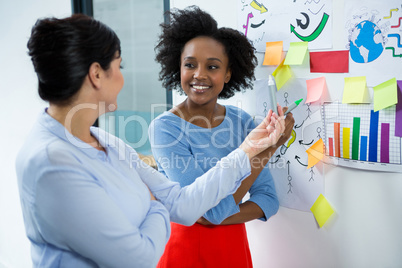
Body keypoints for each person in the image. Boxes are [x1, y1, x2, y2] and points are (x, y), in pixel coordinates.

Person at [15, 14, 285, 268]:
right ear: (97, 74)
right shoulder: (52, 162)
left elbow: (182, 204)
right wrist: (157, 205)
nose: (123, 78)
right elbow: (139, 256)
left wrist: (252, 149)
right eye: (119, 66)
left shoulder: (106, 141)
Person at [149, 6, 295, 268]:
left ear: (228, 73)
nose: (199, 75)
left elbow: (268, 200)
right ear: (177, 67)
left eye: (212, 66)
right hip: (185, 250)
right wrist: (269, 148)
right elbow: (207, 211)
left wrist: (212, 216)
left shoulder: (242, 122)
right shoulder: (165, 128)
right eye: (190, 64)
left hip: (232, 250)